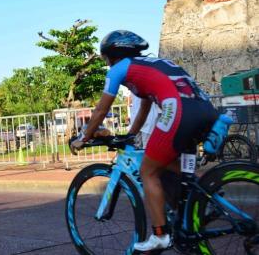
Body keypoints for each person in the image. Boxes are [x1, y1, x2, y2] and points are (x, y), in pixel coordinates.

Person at [70, 30, 219, 252]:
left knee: (148, 169)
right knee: (175, 168)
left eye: (105, 58)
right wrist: (132, 133)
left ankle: (160, 235)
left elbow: (102, 109)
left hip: (178, 110)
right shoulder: (151, 64)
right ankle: (209, 197)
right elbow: (146, 106)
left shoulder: (119, 69)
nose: (106, 63)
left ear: (112, 55)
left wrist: (84, 137)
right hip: (205, 110)